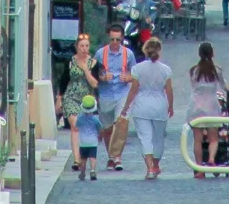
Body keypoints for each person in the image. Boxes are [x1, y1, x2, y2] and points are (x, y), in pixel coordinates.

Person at [122, 36, 174, 179]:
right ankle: (156, 165)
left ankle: (149, 167)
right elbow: (169, 90)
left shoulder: (137, 69)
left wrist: (126, 106)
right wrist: (171, 106)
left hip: (141, 105)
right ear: (159, 51)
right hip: (160, 105)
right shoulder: (166, 70)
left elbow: (134, 90)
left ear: (145, 50)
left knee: (145, 138)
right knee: (158, 138)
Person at [95, 22, 135, 171]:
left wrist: (128, 78)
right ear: (108, 38)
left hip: (122, 93)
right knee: (107, 129)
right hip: (105, 94)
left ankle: (117, 157)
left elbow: (134, 74)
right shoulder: (100, 54)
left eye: (118, 40)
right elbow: (94, 74)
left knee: (121, 124)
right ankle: (111, 156)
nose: (115, 43)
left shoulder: (128, 54)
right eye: (112, 39)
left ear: (122, 39)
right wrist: (103, 77)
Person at [56, 31, 98, 169]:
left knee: (84, 127)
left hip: (87, 99)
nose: (84, 49)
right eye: (82, 46)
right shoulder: (70, 61)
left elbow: (95, 84)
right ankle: (77, 159)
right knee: (75, 126)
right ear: (76, 47)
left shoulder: (94, 63)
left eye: (86, 46)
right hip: (71, 97)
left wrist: (86, 70)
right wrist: (59, 98)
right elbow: (63, 80)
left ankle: (84, 153)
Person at [188, 41, 229, 177]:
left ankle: (199, 169)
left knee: (197, 140)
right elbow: (224, 86)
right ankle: (211, 159)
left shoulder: (194, 70)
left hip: (196, 106)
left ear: (199, 54)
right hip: (211, 105)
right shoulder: (216, 70)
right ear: (212, 53)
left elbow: (193, 86)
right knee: (213, 138)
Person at [75, 94, 102, 181]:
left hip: (83, 142)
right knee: (92, 157)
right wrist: (100, 136)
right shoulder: (95, 119)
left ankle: (82, 173)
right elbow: (100, 128)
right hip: (93, 141)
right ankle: (93, 171)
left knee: (83, 159)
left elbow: (76, 127)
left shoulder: (80, 119)